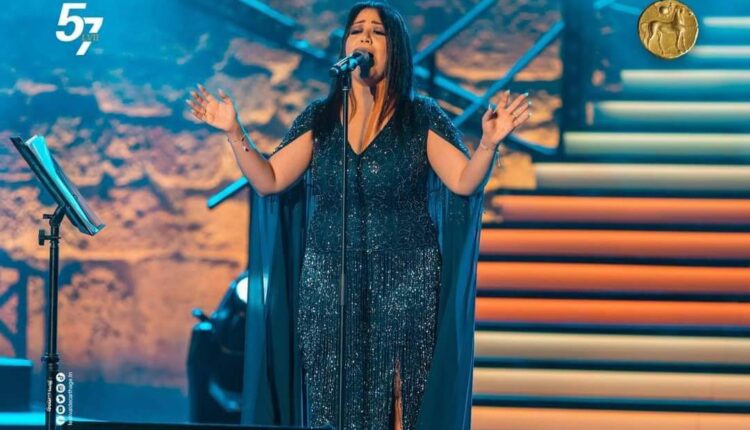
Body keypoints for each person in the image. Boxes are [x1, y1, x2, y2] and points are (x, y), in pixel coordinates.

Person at [187, 3, 530, 429]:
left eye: (377, 32)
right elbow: (270, 179)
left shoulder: (419, 116)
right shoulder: (320, 118)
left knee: (400, 397)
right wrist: (234, 131)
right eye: (357, 30)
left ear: (395, 50)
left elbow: (463, 182)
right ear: (345, 47)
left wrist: (488, 144)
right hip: (329, 283)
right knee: (333, 401)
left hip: (406, 281)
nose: (365, 37)